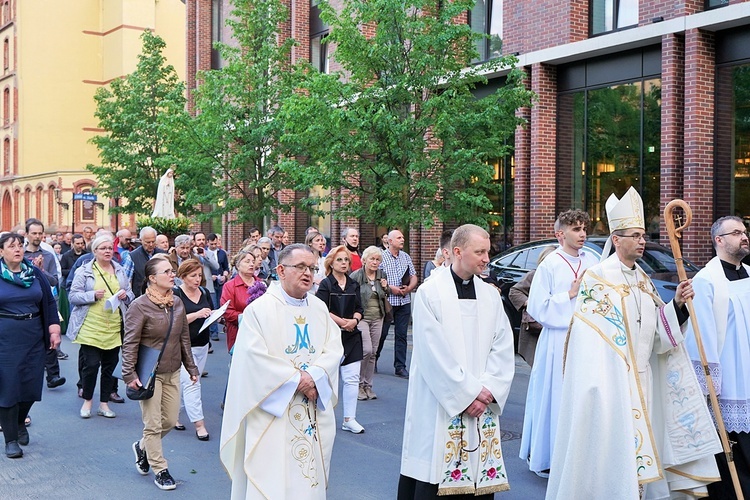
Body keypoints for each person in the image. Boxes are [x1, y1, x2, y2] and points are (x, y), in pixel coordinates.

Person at [546, 187, 721, 498]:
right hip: (613, 386)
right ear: (616, 239)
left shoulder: (642, 278)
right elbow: (591, 343)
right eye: (636, 235)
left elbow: (655, 338)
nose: (643, 241)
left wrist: (677, 304)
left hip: (644, 383)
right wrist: (601, 388)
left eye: (643, 235)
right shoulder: (598, 279)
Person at [398, 224, 515, 498]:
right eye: (480, 252)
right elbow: (432, 352)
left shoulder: (490, 295)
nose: (487, 258)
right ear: (458, 252)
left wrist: (487, 391)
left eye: (488, 251)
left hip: (482, 402)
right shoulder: (431, 293)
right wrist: (468, 394)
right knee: (436, 470)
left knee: (476, 473)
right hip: (440, 401)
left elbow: (503, 347)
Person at [220, 244, 344, 498]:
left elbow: (334, 348)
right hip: (273, 414)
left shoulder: (319, 308)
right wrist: (299, 380)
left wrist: (316, 376)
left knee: (306, 477)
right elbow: (253, 360)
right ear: (280, 270)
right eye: (300, 267)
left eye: (311, 267)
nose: (308, 273)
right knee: (274, 478)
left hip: (310, 408)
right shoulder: (259, 310)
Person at [519, 209, 599, 477]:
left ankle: (582, 455)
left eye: (584, 228)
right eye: (576, 229)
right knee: (555, 397)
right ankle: (552, 455)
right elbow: (539, 307)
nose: (583, 234)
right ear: (560, 234)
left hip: (586, 337)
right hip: (557, 340)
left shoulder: (593, 259)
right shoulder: (550, 264)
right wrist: (570, 294)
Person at [685, 216, 750, 499]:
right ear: (719, 241)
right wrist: (709, 386)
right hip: (731, 382)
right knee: (735, 455)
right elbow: (702, 337)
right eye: (736, 233)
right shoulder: (707, 280)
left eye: (745, 231)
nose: (744, 236)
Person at [123, 256, 199, 491]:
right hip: (149, 375)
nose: (172, 274)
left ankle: (142, 446)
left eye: (172, 270)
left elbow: (183, 337)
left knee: (168, 420)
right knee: (153, 424)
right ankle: (161, 469)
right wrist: (129, 374)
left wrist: (191, 367)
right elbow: (130, 342)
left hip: (173, 370)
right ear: (152, 278)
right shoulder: (139, 306)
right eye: (166, 271)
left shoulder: (176, 302)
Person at [0, 233, 61, 458]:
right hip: (5, 339)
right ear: (1, 251)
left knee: (31, 386)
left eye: (20, 245)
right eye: (12, 246)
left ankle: (18, 421)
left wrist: (54, 328)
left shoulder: (33, 273)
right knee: (8, 387)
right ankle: (11, 440)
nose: (18, 249)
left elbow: (48, 301)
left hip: (34, 335)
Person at [67, 235, 133, 419]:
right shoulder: (85, 271)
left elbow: (130, 293)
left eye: (109, 248)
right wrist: (91, 295)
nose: (107, 251)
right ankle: (87, 401)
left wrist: (124, 296)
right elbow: (73, 295)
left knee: (109, 367)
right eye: (102, 248)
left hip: (113, 325)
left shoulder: (119, 270)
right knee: (91, 366)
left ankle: (104, 404)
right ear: (94, 251)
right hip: (91, 325)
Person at [316, 245, 365, 433]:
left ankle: (349, 419)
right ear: (331, 263)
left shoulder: (353, 284)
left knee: (352, 378)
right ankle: (324, 417)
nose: (344, 263)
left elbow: (360, 308)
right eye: (339, 260)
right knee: (328, 378)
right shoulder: (326, 284)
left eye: (346, 260)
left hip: (352, 336)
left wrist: (354, 320)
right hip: (331, 337)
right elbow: (321, 310)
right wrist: (342, 322)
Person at [172, 260, 213, 441]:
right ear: (182, 277)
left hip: (202, 344)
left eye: (199, 275)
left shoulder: (203, 292)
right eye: (193, 276)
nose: (198, 279)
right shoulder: (175, 294)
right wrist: (197, 314)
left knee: (184, 384)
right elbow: (173, 321)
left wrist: (214, 316)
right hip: (183, 346)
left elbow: (210, 311)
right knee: (192, 383)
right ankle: (199, 425)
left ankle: (173, 414)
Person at [24, 219, 66, 388]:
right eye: (34, 233)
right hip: (27, 302)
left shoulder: (48, 255)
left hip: (46, 299)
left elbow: (55, 281)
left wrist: (41, 270)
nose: (37, 236)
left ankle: (53, 375)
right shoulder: (21, 255)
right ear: (27, 234)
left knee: (51, 335)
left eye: (40, 233)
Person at [350, 246, 389, 401]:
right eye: (372, 259)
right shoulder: (356, 276)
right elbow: (350, 295)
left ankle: (368, 385)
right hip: (362, 317)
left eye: (377, 259)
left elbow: (385, 296)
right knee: (365, 350)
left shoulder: (381, 275)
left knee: (373, 352)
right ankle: (358, 384)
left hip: (378, 316)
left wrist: (386, 288)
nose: (375, 262)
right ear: (364, 260)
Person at [508, 245, 556, 367]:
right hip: (536, 332)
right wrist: (529, 302)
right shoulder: (534, 275)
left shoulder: (563, 277)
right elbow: (514, 292)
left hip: (555, 329)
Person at [377, 229, 417, 378]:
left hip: (404, 300)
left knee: (401, 335)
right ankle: (373, 359)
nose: (402, 240)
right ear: (390, 241)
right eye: (399, 237)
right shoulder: (381, 257)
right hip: (388, 301)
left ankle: (400, 367)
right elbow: (376, 278)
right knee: (382, 333)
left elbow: (413, 275)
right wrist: (391, 288)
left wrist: (410, 288)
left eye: (403, 237)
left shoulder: (405, 257)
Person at [220, 249, 267, 353]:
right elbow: (227, 311)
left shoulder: (262, 284)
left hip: (261, 334)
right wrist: (248, 318)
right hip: (239, 333)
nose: (251, 264)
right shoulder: (230, 286)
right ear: (238, 265)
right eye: (247, 261)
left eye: (253, 261)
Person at [130, 226, 167, 298]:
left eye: (153, 241)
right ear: (141, 240)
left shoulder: (163, 255)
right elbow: (127, 282)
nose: (151, 244)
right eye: (148, 242)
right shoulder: (132, 256)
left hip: (162, 297)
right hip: (141, 298)